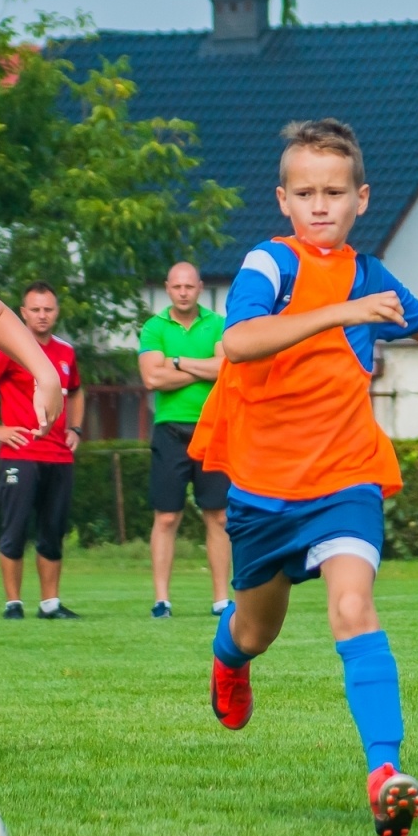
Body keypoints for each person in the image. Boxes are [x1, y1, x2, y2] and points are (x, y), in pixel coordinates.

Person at [195, 119, 418, 836]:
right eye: (306, 192)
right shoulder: (269, 264)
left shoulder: (367, 273)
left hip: (345, 476)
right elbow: (239, 342)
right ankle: (229, 657)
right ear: (283, 200)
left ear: (361, 199)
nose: (321, 205)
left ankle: (385, 776)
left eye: (335, 192)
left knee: (353, 606)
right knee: (257, 629)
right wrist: (340, 314)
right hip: (261, 489)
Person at [0, 282, 83, 620]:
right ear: (23, 312)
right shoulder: (4, 350)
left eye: (48, 309)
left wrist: (75, 429)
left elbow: (77, 392)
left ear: (56, 312)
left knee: (53, 530)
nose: (42, 315)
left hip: (57, 455)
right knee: (15, 529)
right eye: (35, 309)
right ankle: (14, 603)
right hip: (20, 454)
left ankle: (50, 603)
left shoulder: (66, 352)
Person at [138, 261, 231, 619]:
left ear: (200, 287)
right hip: (169, 430)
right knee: (166, 517)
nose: (183, 292)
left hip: (212, 428)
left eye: (189, 287)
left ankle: (221, 598)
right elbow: (151, 379)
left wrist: (175, 363)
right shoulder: (153, 327)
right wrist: (200, 366)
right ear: (167, 288)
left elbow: (226, 370)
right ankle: (162, 599)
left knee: (219, 516)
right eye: (176, 287)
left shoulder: (218, 324)